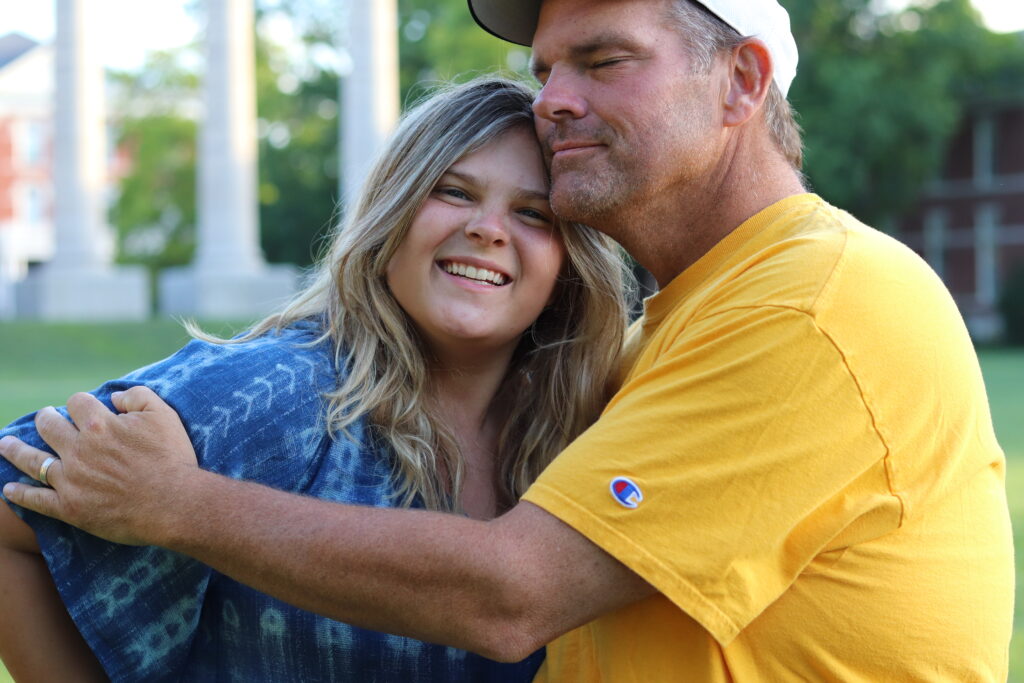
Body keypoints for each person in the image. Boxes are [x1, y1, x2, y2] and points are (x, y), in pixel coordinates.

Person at [2, 0, 1014, 680]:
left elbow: (512, 592)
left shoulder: (805, 304)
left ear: (741, 84)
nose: (553, 96)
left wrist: (185, 506)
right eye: (546, 67)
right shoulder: (672, 329)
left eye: (603, 59)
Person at [0, 76, 630, 681]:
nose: (488, 229)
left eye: (534, 214)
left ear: (570, 263)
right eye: (455, 192)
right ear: (394, 211)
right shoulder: (280, 390)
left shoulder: (584, 434)